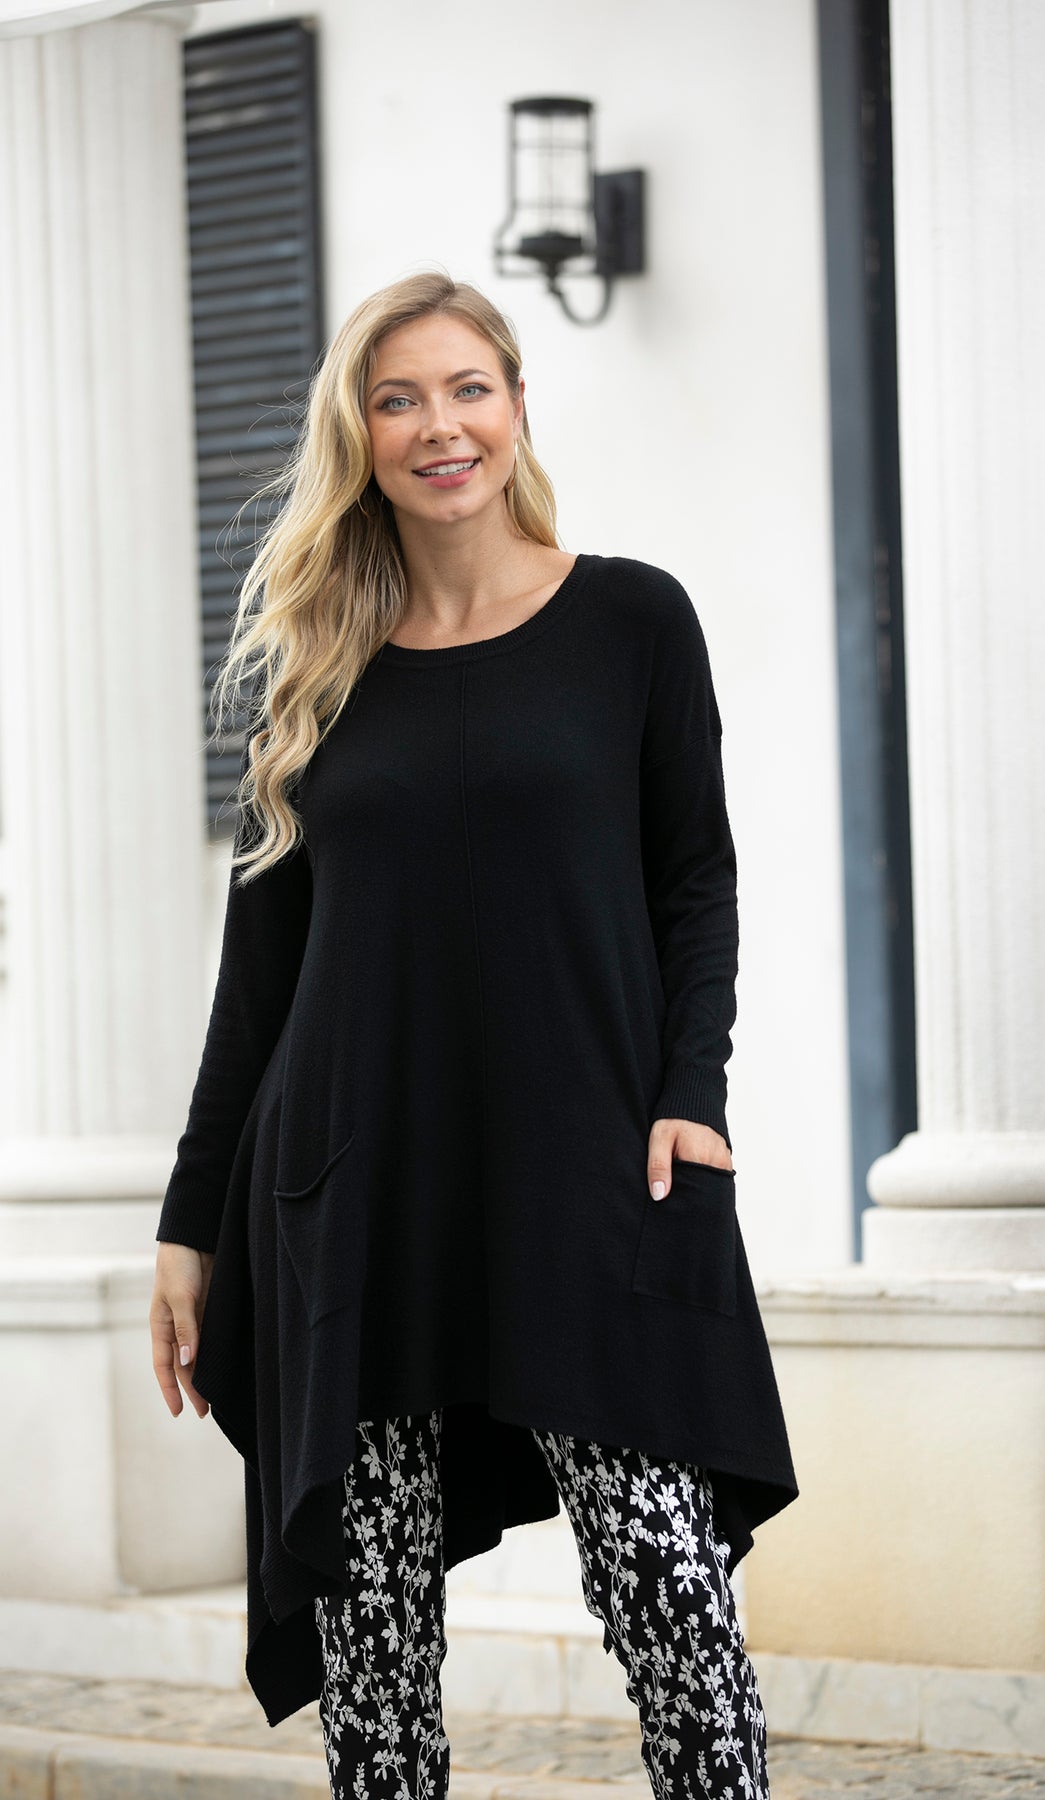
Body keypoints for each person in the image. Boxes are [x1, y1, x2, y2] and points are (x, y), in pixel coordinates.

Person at [148, 268, 798, 1800]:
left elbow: (695, 882)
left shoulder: (631, 619)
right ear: (359, 436)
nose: (439, 426)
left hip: (591, 1174)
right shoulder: (313, 670)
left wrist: (691, 1091)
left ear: (515, 404)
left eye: (466, 389)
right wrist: (190, 1221)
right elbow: (259, 979)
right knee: (375, 1645)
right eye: (398, 400)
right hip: (353, 1199)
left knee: (669, 1589)